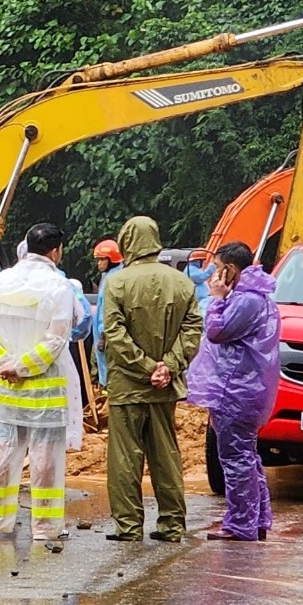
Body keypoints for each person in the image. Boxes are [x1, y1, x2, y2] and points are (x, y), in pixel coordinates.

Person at [0, 222, 80, 562]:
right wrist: (23, 366)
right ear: (56, 251)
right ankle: (45, 527)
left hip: (4, 388)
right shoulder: (57, 286)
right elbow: (56, 338)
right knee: (46, 458)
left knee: (2, 453)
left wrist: (3, 365)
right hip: (43, 387)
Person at [100, 214, 201, 543]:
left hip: (127, 386)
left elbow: (114, 334)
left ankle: (128, 527)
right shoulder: (182, 283)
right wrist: (168, 367)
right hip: (165, 387)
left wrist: (145, 367)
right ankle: (172, 525)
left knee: (125, 458)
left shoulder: (116, 283)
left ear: (127, 241)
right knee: (166, 456)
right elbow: (193, 329)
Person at [187, 242, 281, 541]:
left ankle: (241, 524)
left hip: (235, 388)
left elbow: (217, 332)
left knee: (236, 457)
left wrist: (216, 299)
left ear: (231, 270)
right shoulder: (253, 297)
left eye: (217, 269)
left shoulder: (245, 301)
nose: (214, 275)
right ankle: (257, 519)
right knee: (248, 456)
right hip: (246, 387)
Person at [89, 237, 124, 384]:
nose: (99, 263)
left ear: (111, 259)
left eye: (102, 259)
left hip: (108, 336)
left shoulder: (114, 279)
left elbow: (107, 310)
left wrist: (104, 334)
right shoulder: (108, 277)